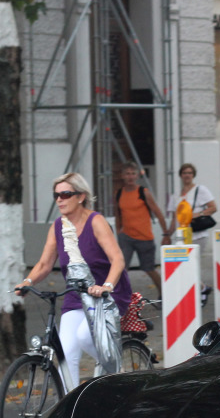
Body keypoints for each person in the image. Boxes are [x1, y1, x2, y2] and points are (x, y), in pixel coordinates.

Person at [17, 172, 132, 387]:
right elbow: (44, 265)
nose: (59, 199)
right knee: (66, 352)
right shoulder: (58, 226)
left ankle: (115, 368)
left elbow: (117, 259)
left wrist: (106, 285)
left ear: (81, 196)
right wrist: (27, 282)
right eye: (56, 195)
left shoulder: (96, 221)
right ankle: (69, 408)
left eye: (66, 194)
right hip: (76, 294)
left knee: (84, 336)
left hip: (107, 292)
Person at [114, 162, 169, 298]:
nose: (130, 177)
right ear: (122, 176)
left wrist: (166, 233)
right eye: (127, 174)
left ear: (137, 175)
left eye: (133, 173)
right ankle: (122, 298)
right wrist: (118, 232)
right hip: (126, 237)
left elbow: (158, 212)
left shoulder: (143, 192)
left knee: (149, 269)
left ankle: (164, 295)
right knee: (121, 269)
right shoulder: (119, 193)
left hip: (144, 238)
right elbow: (117, 215)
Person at [172, 162, 217, 232]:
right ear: (180, 175)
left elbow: (213, 208)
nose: (187, 175)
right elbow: (174, 217)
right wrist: (168, 235)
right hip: (181, 233)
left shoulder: (200, 189)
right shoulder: (176, 194)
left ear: (193, 175)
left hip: (197, 232)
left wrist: (199, 214)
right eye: (184, 173)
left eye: (190, 173)